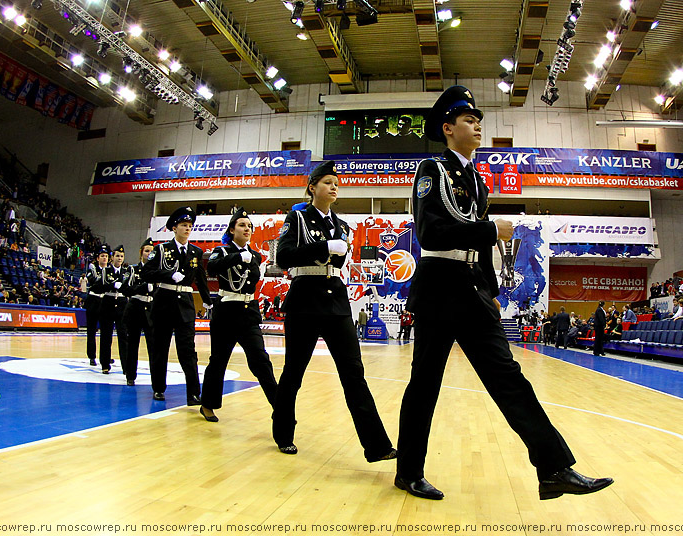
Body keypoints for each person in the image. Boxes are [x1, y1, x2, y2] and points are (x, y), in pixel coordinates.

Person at [396, 86, 612, 501]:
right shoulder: (432, 170)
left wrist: (490, 290)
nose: (477, 126)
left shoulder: (476, 180)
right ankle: (408, 472)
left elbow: (477, 247)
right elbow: (430, 232)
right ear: (447, 128)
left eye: (478, 120)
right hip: (439, 285)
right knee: (425, 384)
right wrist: (491, 229)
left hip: (472, 289)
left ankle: (553, 468)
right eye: (468, 120)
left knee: (508, 378)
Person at [272, 160, 396, 463]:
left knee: (354, 373)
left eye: (336, 182)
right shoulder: (298, 217)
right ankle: (283, 432)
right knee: (294, 373)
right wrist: (325, 246)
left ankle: (377, 446)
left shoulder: (341, 226)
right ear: (312, 187)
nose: (334, 186)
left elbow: (337, 264)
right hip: (304, 298)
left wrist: (335, 249)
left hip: (336, 300)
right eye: (327, 182)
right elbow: (284, 256)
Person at [200, 207, 277, 423]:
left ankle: (279, 405)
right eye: (242, 225)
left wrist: (247, 258)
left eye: (250, 226)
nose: (247, 229)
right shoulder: (222, 251)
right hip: (226, 311)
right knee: (218, 361)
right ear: (232, 230)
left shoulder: (256, 256)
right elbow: (212, 268)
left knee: (261, 360)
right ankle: (208, 403)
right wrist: (236, 258)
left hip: (248, 311)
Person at [142, 206, 212, 405]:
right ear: (174, 228)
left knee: (188, 350)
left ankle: (193, 393)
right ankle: (158, 388)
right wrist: (167, 274)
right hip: (164, 302)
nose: (187, 229)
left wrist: (207, 300)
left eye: (190, 226)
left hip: (186, 305)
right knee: (160, 348)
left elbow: (201, 279)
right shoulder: (162, 250)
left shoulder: (195, 252)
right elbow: (146, 273)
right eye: (183, 225)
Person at [121, 238, 155, 386]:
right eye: (146, 251)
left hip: (152, 310)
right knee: (132, 344)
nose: (149, 254)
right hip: (135, 308)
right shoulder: (132, 270)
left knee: (154, 347)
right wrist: (141, 288)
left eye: (152, 251)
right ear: (141, 253)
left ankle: (156, 379)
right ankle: (130, 375)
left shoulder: (157, 271)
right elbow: (125, 289)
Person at [99, 245, 129, 374]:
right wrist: (112, 285)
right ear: (112, 257)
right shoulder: (106, 270)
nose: (119, 258)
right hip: (108, 303)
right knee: (106, 336)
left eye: (121, 256)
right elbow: (102, 285)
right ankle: (105, 364)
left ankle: (126, 366)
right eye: (117, 256)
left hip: (122, 304)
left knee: (123, 336)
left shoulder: (127, 272)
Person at [84, 245, 110, 367]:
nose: (104, 258)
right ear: (98, 258)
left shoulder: (110, 270)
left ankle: (105, 356)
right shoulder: (92, 269)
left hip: (105, 301)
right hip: (94, 301)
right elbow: (93, 282)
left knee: (106, 331)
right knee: (91, 330)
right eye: (102, 256)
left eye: (106, 256)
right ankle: (92, 356)